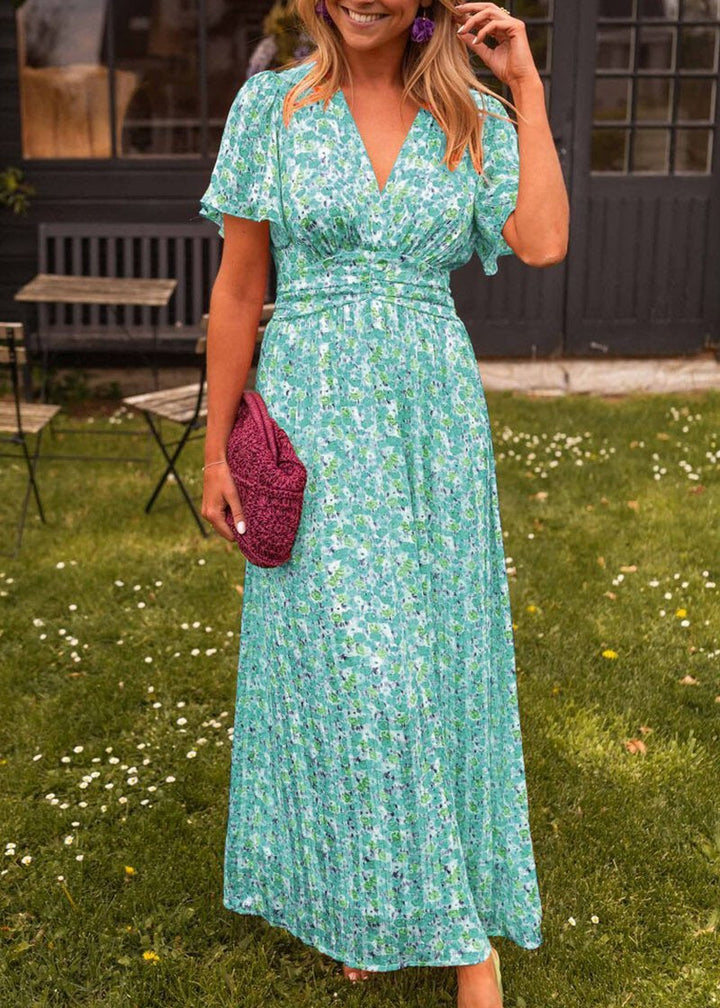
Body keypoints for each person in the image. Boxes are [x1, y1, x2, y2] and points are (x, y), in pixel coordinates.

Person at [198, 2, 568, 1006]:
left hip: (428, 424)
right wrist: (217, 445)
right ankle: (408, 914)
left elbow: (541, 240)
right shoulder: (271, 108)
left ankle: (425, 919)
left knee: (435, 662)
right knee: (354, 667)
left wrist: (526, 87)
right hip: (314, 417)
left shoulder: (471, 114)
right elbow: (239, 288)